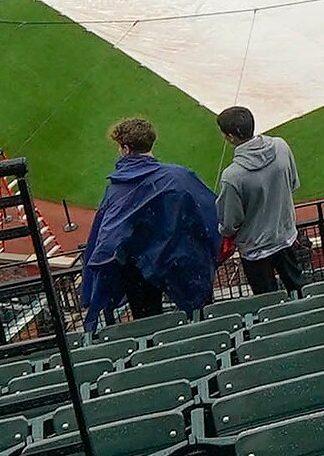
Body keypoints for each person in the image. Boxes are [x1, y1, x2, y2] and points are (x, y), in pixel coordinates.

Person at [79, 117, 222, 324]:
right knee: (200, 316)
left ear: (126, 149)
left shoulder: (118, 190)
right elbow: (210, 211)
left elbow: (107, 240)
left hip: (139, 269)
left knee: (148, 323)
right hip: (179, 257)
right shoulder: (180, 176)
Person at [216, 103, 305, 295]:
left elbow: (230, 223)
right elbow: (293, 184)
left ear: (231, 136)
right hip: (285, 237)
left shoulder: (232, 176)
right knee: (299, 292)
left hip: (255, 251)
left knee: (267, 303)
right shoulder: (281, 147)